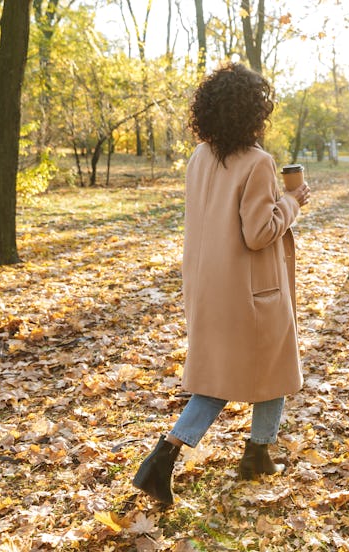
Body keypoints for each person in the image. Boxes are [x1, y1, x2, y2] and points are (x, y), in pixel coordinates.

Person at [132, 63, 311, 506]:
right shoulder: (258, 163)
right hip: (248, 292)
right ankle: (169, 456)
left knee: (236, 375)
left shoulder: (200, 156)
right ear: (254, 113)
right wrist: (291, 202)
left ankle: (252, 454)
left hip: (206, 285)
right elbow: (259, 233)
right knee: (261, 370)